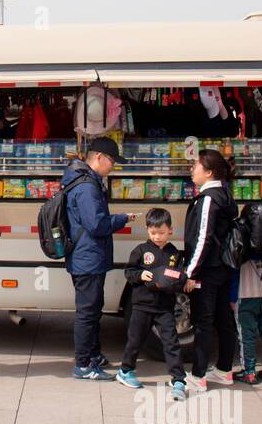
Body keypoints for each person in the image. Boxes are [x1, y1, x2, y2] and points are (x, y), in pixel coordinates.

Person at [60, 137, 135, 380]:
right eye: (112, 161)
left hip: (87, 256)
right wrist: (122, 219)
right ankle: (83, 365)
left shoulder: (85, 181)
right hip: (88, 258)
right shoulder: (87, 187)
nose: (113, 166)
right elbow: (97, 224)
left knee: (92, 309)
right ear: (99, 158)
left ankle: (93, 355)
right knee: (87, 312)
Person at [183, 149, 239, 391]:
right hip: (223, 268)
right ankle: (224, 370)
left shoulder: (208, 199)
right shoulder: (225, 194)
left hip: (207, 270)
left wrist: (190, 272)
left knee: (203, 322)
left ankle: (198, 375)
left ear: (209, 172)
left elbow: (202, 238)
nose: (192, 169)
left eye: (196, 165)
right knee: (223, 319)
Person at [121, 207, 186, 398]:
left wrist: (183, 280)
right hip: (141, 306)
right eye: (153, 232)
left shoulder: (175, 254)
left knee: (171, 343)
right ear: (147, 230)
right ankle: (126, 370)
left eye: (162, 232)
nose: (157, 236)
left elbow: (179, 277)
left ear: (171, 231)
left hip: (165, 308)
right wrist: (140, 274)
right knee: (135, 340)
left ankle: (178, 380)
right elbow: (129, 272)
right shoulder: (140, 251)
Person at [234, 257, 262, 385]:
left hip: (245, 294)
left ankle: (249, 372)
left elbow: (233, 264)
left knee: (246, 335)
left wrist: (232, 296)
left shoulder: (243, 241)